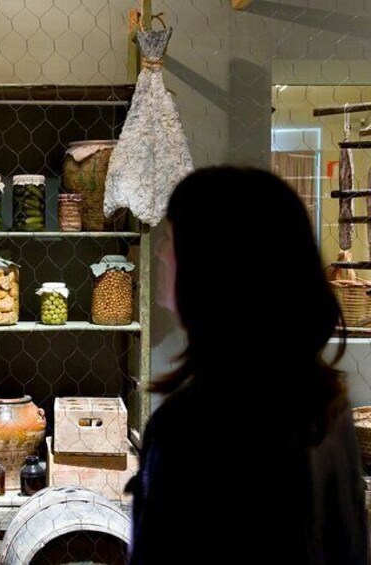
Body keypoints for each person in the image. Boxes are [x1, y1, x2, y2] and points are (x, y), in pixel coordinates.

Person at [128, 167, 369, 564]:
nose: (159, 253)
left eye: (170, 240)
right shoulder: (327, 408)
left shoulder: (192, 429)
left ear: (213, 265)